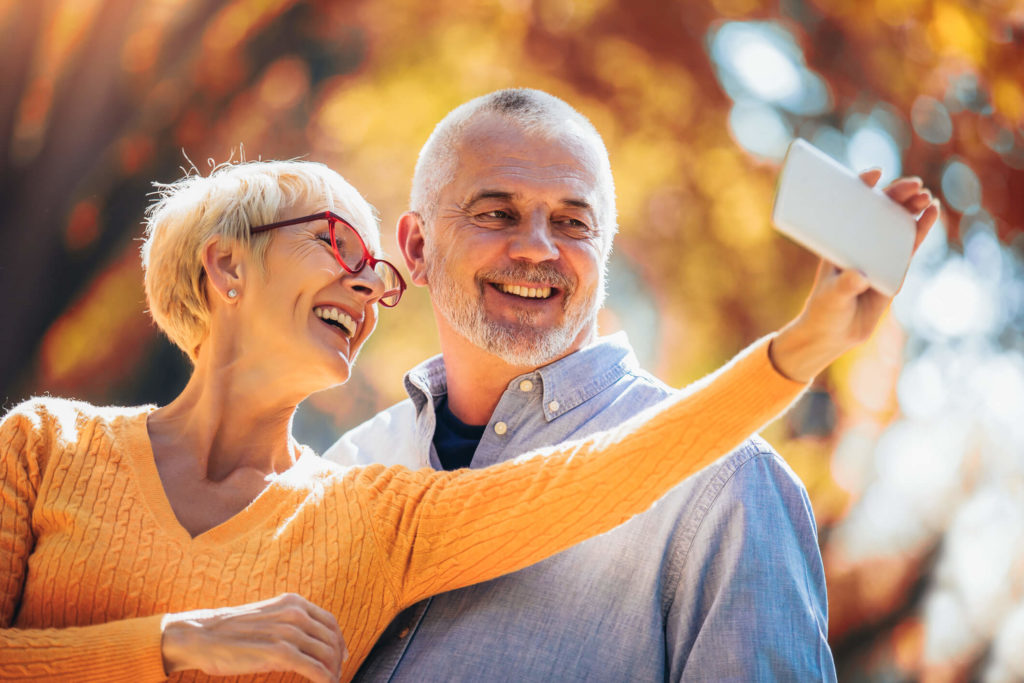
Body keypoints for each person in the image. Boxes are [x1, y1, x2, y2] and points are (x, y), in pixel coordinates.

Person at [325, 88, 940, 681]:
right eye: (496, 213)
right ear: (416, 245)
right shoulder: (350, 467)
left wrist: (806, 346)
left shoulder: (725, 487)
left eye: (572, 222)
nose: (538, 248)